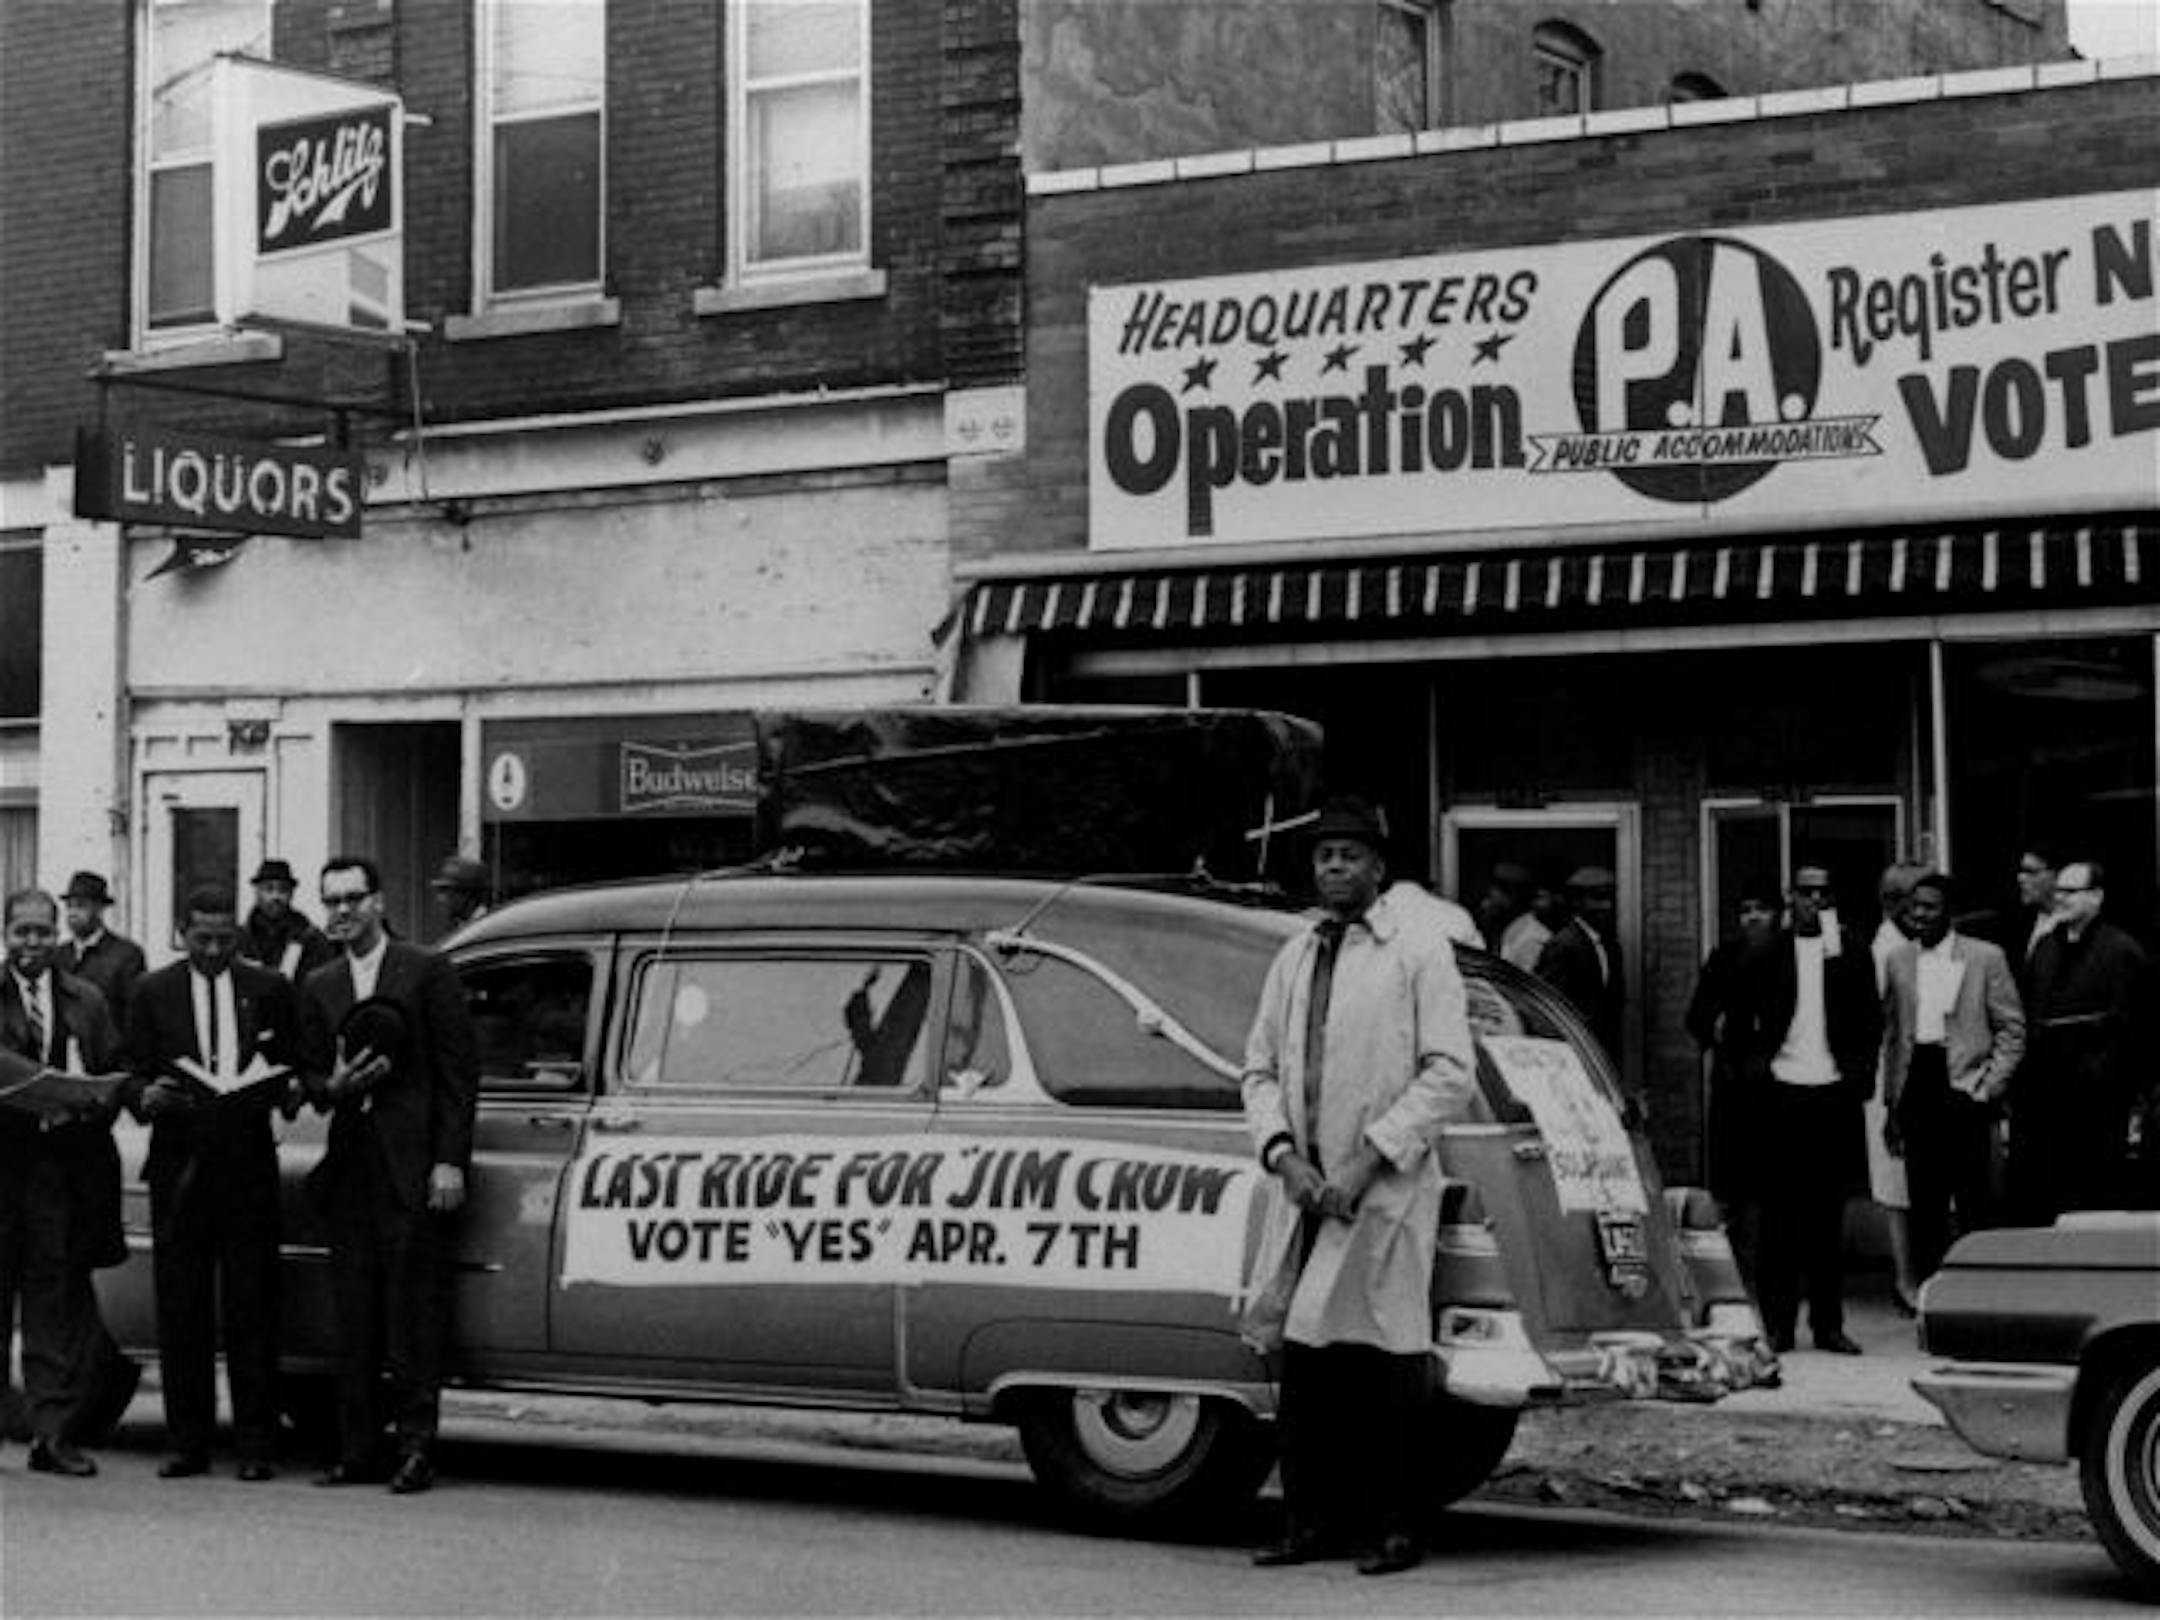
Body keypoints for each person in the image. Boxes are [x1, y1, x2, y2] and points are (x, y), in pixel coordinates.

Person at [1240, 797, 1477, 1577]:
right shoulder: (1296, 954)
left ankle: (1394, 1528)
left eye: (1350, 855)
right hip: (1306, 1190)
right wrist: (1285, 1157)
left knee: (1384, 1363)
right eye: (1324, 856)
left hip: (1381, 1191)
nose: (1335, 867)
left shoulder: (1418, 952)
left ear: (1380, 867)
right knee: (1307, 1362)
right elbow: (1261, 1069)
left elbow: (1448, 1072)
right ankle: (1308, 1522)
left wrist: (1366, 1159)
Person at [299, 855, 480, 1495]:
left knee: (414, 1313)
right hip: (351, 1171)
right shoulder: (319, 982)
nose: (341, 912)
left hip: (413, 1169)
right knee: (356, 1314)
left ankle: (416, 1448)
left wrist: (448, 1161)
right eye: (331, 902)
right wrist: (333, 1086)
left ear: (378, 901)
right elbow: (310, 1078)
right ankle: (356, 1452)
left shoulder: (426, 970)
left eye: (352, 899)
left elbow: (459, 1074)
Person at [123, 885, 305, 1482]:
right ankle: (188, 1442)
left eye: (226, 940)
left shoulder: (269, 989)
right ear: (182, 932)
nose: (214, 950)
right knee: (182, 1307)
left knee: (254, 1305)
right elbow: (130, 1068)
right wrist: (145, 1096)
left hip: (248, 1164)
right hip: (181, 1166)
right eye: (202, 939)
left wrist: (285, 1085)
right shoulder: (154, 991)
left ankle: (256, 1443)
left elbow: (293, 1063)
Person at [1716, 865, 1881, 1355]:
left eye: (1824, 893)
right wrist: (1750, 1078)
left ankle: (1829, 1324)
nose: (1815, 901)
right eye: (1806, 893)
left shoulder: (1850, 952)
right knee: (1778, 1221)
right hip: (1780, 1094)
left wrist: (1859, 1077)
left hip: (1831, 1093)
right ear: (1790, 897)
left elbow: (1869, 1020)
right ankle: (1779, 1325)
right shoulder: (1765, 952)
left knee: (1828, 1221)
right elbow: (1738, 1025)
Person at [0, 888, 134, 1477]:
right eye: (21, 932)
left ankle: (51, 1434)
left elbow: (113, 1074)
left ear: (57, 935)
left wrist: (88, 1102)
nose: (32, 944)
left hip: (58, 1174)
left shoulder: (86, 999)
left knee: (52, 1300)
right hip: (0, 1165)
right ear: (5, 935)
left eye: (41, 933)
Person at [1879, 871, 2024, 1283]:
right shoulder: (1898, 959)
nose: (1919, 915)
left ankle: (1975, 1296)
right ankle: (1932, 1296)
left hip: (1964, 1085)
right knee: (1925, 1203)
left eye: (1929, 907)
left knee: (1974, 1199)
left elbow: (2012, 1028)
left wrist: (1991, 1083)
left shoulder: (1985, 957)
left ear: (1950, 913)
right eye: (1913, 907)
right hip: (1917, 1086)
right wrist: (1891, 1104)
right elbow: (1893, 1037)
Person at [2007, 859, 2152, 1223]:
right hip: (2044, 1097)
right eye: (2059, 891)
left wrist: (2105, 1077)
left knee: (2095, 1192)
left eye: (2072, 891)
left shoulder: (2122, 951)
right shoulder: (2044, 948)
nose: (2062, 898)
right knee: (2047, 1192)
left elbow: (2132, 1028)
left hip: (2097, 1098)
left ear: (2097, 897)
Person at [1685, 889, 1781, 1293]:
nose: (1753, 916)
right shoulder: (1724, 957)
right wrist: (1715, 1026)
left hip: (1782, 1084)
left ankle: (1775, 1272)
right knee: (1731, 1185)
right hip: (1734, 1082)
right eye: (1745, 909)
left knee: (1775, 1185)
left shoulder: (1790, 954)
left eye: (1761, 908)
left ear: (1778, 914)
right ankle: (1735, 1275)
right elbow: (1696, 1018)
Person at [1866, 862, 1925, 1314]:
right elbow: (1884, 1027)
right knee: (1897, 1185)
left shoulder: (1914, 946)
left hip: (1920, 1075)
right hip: (1893, 1078)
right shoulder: (1886, 951)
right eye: (1914, 901)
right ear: (1892, 903)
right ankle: (1906, 1279)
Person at [1536, 866, 1621, 1058]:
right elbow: (1547, 1005)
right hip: (1573, 1050)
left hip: (1601, 1051)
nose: (1606, 906)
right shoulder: (1563, 945)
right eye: (1597, 899)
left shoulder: (1610, 944)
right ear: (1578, 902)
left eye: (1609, 898)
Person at [54, 872, 146, 1032]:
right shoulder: (58, 954)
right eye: (69, 906)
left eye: (81, 906)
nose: (72, 913)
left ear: (99, 909)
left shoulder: (126, 955)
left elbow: (134, 1015)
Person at [239, 859, 337, 984]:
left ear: (291, 894)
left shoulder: (310, 938)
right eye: (269, 889)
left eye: (282, 890)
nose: (276, 896)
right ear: (257, 892)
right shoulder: (240, 939)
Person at [1478, 861, 1549, 970]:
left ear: (1510, 895)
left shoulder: (1533, 938)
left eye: (1491, 895)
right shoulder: (1505, 928)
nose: (1485, 903)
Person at [428, 855, 491, 936]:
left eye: (445, 891)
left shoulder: (484, 927)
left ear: (467, 894)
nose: (440, 899)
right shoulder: (459, 925)